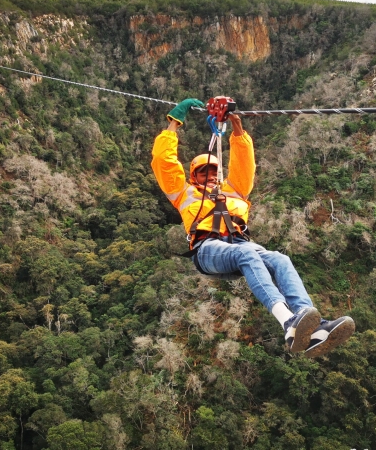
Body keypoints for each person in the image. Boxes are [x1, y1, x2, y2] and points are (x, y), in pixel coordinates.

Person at [151, 98, 355, 357]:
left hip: (239, 243)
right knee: (246, 253)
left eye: (213, 169)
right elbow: (163, 161)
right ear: (194, 176)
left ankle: (309, 323)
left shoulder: (235, 189)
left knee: (280, 259)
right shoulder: (184, 193)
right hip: (207, 249)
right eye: (203, 172)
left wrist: (237, 129)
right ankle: (287, 323)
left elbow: (244, 163)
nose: (210, 174)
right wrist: (174, 122)